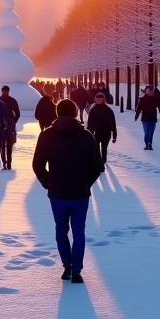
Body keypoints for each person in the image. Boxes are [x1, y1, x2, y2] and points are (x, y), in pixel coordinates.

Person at [32, 98, 103, 284]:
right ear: (74, 113)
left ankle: (67, 266)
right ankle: (77, 270)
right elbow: (97, 166)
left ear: (57, 112)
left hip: (57, 193)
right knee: (79, 231)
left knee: (61, 231)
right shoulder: (86, 135)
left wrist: (49, 183)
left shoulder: (47, 135)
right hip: (80, 193)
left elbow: (37, 165)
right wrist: (86, 182)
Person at [86, 91, 118, 165]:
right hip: (95, 133)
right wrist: (89, 134)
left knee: (104, 148)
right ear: (95, 100)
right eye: (98, 99)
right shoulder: (93, 110)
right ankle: (99, 162)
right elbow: (90, 123)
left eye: (101, 99)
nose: (99, 100)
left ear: (104, 100)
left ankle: (103, 161)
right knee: (97, 148)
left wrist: (114, 136)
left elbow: (113, 123)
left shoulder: (109, 111)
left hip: (106, 132)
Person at [135, 85, 160, 151]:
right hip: (145, 118)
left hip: (153, 118)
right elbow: (139, 108)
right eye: (149, 90)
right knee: (146, 132)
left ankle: (150, 143)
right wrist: (136, 116)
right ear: (146, 91)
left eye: (151, 90)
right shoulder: (142, 99)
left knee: (151, 132)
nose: (150, 91)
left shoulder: (156, 98)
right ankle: (146, 144)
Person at [0, 85, 21, 170]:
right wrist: (14, 121)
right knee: (9, 145)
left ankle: (5, 162)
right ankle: (8, 163)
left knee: (2, 145)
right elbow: (18, 113)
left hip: (2, 125)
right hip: (10, 124)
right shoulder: (13, 100)